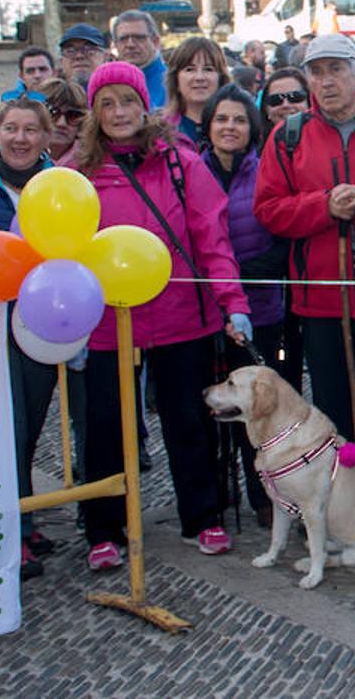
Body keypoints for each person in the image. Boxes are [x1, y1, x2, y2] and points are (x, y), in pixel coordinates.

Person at [74, 61, 253, 570]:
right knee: (105, 426)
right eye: (106, 104)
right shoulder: (77, 169)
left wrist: (232, 302)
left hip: (180, 316)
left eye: (126, 101)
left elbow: (212, 238)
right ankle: (104, 527)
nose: (118, 113)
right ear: (94, 113)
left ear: (143, 104)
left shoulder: (180, 162)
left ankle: (203, 515)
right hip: (107, 322)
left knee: (188, 420)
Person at [254, 34, 355, 441]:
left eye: (336, 69)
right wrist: (324, 207)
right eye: (317, 72)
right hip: (320, 302)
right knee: (333, 413)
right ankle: (341, 493)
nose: (327, 81)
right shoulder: (288, 136)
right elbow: (268, 210)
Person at [0, 97, 61, 579]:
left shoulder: (60, 185)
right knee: (6, 430)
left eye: (31, 130)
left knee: (31, 428)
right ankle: (10, 535)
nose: (20, 139)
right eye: (11, 128)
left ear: (45, 138)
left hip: (42, 322)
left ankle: (23, 515)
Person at [200, 84, 285, 528]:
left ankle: (267, 496)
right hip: (205, 314)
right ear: (208, 125)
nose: (229, 127)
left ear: (251, 126)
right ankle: (215, 497)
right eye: (221, 119)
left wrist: (238, 276)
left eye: (237, 119)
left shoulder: (267, 168)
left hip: (263, 312)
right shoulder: (192, 170)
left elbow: (282, 239)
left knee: (262, 409)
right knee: (213, 409)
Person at [163, 37, 230, 148]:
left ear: (221, 79)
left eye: (208, 69)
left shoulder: (235, 128)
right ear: (176, 79)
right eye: (190, 69)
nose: (199, 77)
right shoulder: (161, 132)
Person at [112, 10, 167, 110]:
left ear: (155, 42)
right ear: (115, 45)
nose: (130, 45)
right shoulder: (108, 86)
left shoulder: (174, 83)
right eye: (123, 39)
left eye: (139, 38)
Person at [257, 67, 311, 144]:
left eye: (295, 97)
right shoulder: (254, 150)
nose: (285, 105)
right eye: (276, 99)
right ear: (266, 109)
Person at [41, 77, 87, 167]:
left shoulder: (96, 164)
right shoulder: (16, 160)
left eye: (73, 115)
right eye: (52, 113)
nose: (61, 123)